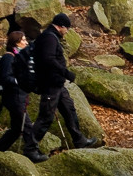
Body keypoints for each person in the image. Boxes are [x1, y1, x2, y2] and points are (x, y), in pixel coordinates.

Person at [25, 13, 102, 155]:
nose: (67, 32)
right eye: (67, 29)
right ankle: (30, 149)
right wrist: (66, 73)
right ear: (60, 26)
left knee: (69, 109)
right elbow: (48, 60)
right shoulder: (49, 38)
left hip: (57, 84)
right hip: (50, 84)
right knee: (46, 117)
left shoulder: (51, 37)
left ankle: (79, 140)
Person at [0, 30, 31, 156]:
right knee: (27, 127)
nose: (26, 42)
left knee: (16, 130)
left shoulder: (20, 58)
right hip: (13, 98)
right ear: (16, 43)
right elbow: (6, 78)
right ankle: (33, 153)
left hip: (17, 97)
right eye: (24, 40)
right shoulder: (8, 57)